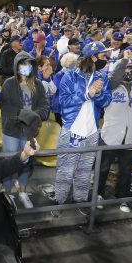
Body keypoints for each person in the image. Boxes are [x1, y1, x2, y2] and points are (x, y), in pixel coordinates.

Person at [54, 42, 111, 216]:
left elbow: (107, 101)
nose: (106, 59)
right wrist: (87, 94)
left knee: (85, 171)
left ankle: (80, 200)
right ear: (93, 57)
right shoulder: (70, 75)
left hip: (92, 132)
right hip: (73, 131)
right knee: (66, 169)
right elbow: (62, 102)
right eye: (103, 56)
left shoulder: (102, 77)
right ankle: (59, 202)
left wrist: (99, 94)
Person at [99, 51, 132, 212]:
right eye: (126, 69)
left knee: (126, 170)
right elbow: (115, 76)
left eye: (131, 68)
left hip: (130, 137)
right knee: (103, 168)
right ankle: (98, 194)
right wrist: (125, 59)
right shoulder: (111, 86)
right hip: (111, 135)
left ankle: (123, 198)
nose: (128, 71)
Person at [0, 52, 49, 208]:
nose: (26, 67)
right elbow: (6, 108)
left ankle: (22, 191)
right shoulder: (8, 83)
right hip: (12, 130)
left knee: (27, 161)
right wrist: (25, 115)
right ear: (16, 66)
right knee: (9, 162)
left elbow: (45, 106)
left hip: (30, 130)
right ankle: (7, 194)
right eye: (23, 64)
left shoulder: (38, 84)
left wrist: (33, 116)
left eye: (29, 64)